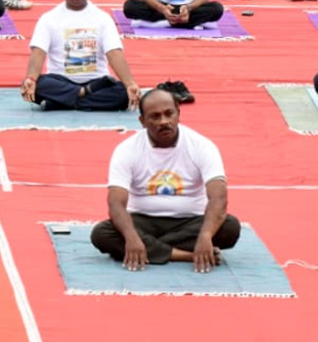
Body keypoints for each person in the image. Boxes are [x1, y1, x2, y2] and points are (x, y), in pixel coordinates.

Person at [89, 88, 240, 271]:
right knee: (102, 234)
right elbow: (116, 203)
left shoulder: (202, 146)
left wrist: (206, 235)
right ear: (142, 121)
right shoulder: (126, 149)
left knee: (230, 228)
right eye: (155, 117)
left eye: (169, 114)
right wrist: (131, 236)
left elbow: (219, 198)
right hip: (143, 220)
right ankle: (186, 255)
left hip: (191, 220)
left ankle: (150, 249)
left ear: (178, 113)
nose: (164, 122)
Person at [21, 0, 141, 111]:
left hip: (97, 83)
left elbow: (114, 53)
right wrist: (31, 79)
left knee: (123, 93)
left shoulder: (103, 18)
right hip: (61, 81)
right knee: (39, 85)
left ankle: (62, 101)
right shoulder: (48, 19)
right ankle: (82, 95)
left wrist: (130, 83)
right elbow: (38, 52)